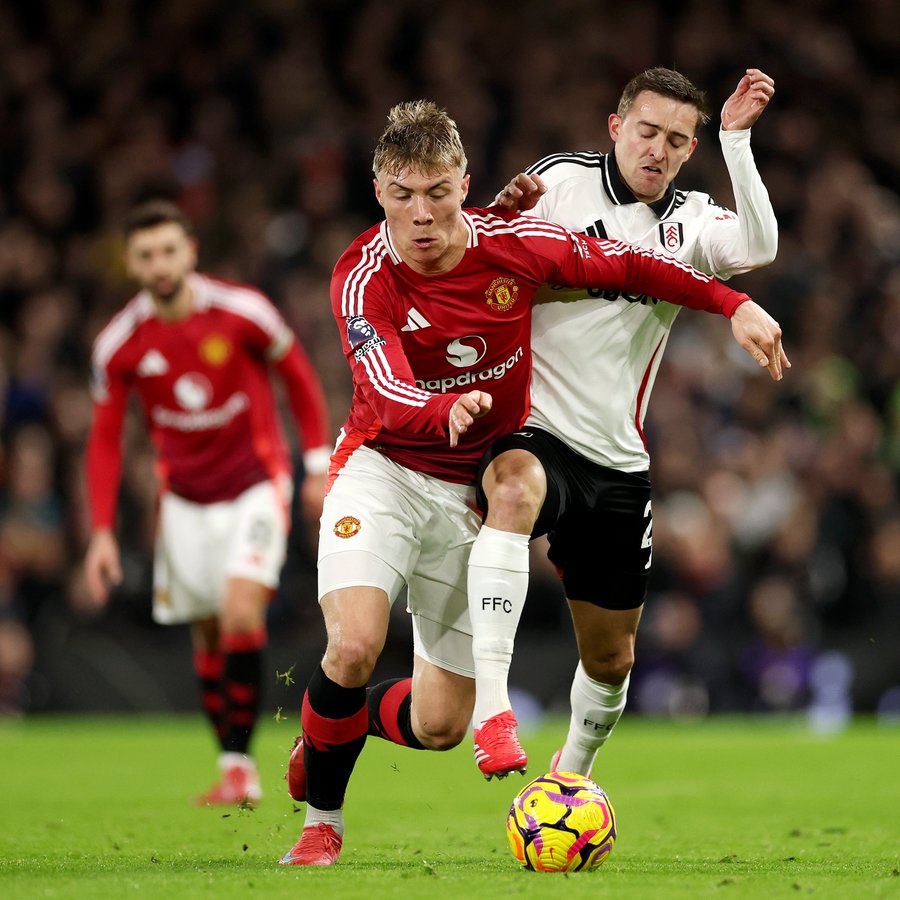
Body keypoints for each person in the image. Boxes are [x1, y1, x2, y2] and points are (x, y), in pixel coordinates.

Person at [278, 98, 785, 866]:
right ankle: (323, 824)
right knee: (352, 646)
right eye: (403, 195)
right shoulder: (363, 273)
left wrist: (733, 301)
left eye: (438, 192)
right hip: (380, 471)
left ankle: (327, 728)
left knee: (435, 726)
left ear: (463, 185)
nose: (421, 214)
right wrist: (440, 407)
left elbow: (632, 266)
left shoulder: (515, 246)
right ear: (379, 191)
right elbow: (378, 385)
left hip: (462, 500)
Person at [466, 67, 783, 780]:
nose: (658, 150)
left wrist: (737, 139)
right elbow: (479, 264)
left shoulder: (694, 220)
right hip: (533, 424)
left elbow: (759, 247)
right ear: (616, 127)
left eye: (678, 140)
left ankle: (568, 777)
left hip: (615, 456)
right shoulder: (558, 182)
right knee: (512, 493)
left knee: (611, 661)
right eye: (647, 131)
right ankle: (493, 709)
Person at [83, 200, 331, 806]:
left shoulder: (242, 312)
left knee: (242, 612)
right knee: (209, 633)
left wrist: (318, 465)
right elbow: (105, 441)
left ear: (190, 251)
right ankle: (233, 764)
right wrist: (101, 532)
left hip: (255, 482)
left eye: (169, 250)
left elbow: (298, 376)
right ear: (131, 264)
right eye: (146, 255)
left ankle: (242, 768)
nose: (160, 264)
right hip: (185, 501)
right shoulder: (119, 343)